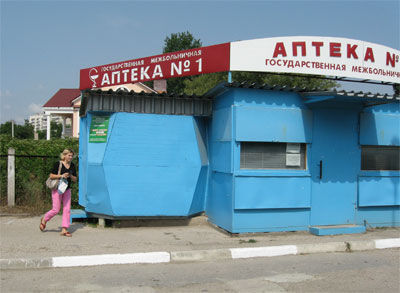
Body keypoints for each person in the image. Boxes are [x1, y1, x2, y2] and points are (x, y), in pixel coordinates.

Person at [40, 149, 77, 237]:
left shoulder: (72, 165)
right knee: (56, 209)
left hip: (67, 189)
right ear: (64, 155)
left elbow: (75, 179)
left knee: (67, 209)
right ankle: (44, 219)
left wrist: (71, 176)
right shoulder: (58, 164)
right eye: (69, 155)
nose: (70, 157)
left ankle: (64, 229)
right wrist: (61, 176)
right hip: (57, 189)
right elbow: (51, 176)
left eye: (72, 156)